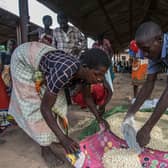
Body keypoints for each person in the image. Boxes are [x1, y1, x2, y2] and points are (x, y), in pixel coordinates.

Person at [8, 41, 111, 167]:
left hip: (43, 56)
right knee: (34, 105)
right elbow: (45, 109)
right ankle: (45, 149)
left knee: (59, 105)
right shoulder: (64, 71)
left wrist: (99, 119)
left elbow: (87, 97)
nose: (100, 79)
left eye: (102, 75)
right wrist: (63, 139)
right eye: (97, 74)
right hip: (23, 59)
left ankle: (55, 138)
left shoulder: (85, 75)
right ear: (85, 66)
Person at [123, 21, 168, 148]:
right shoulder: (154, 52)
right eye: (142, 50)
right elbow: (149, 84)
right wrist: (130, 114)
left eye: (147, 50)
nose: (145, 55)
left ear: (159, 40)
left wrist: (147, 127)